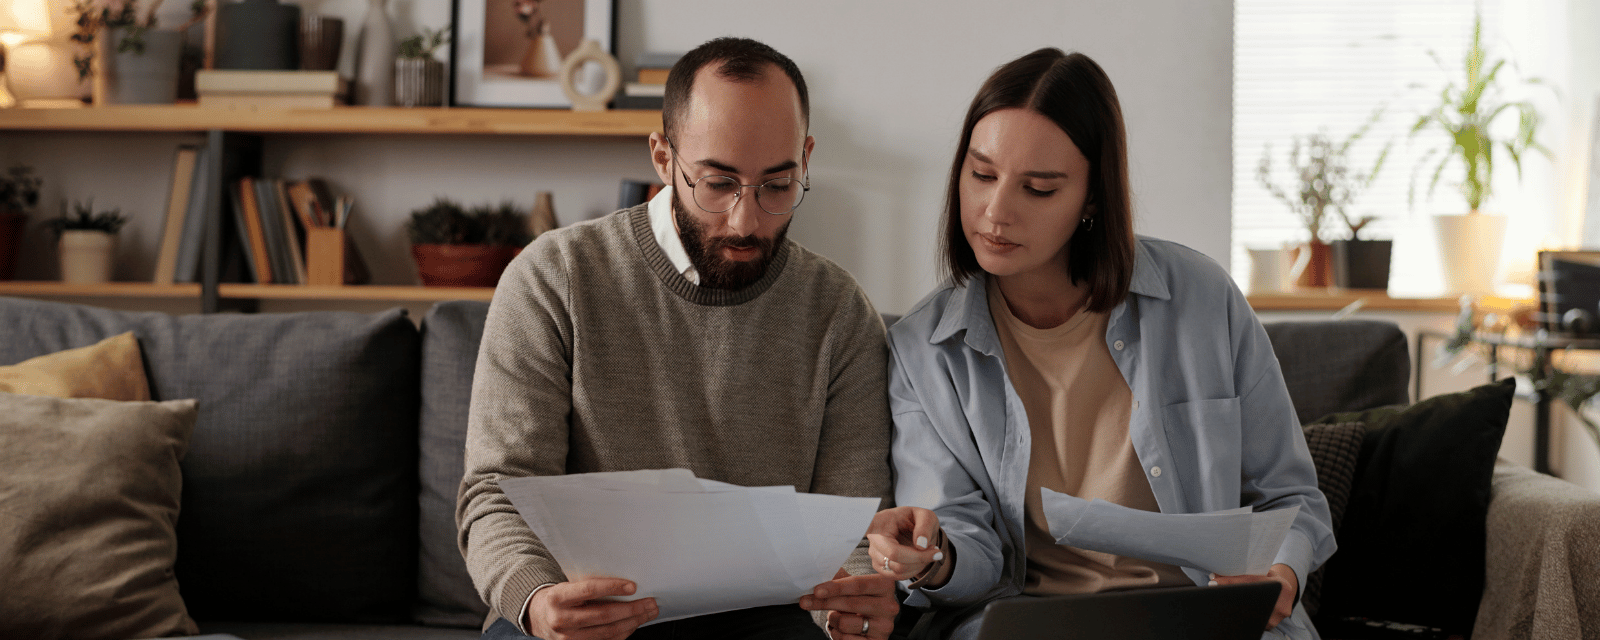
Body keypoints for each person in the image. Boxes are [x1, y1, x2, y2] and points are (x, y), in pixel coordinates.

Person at [865, 48, 1336, 640]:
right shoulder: (921, 351)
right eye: (982, 175)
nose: (995, 211)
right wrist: (933, 557)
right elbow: (965, 544)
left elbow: (1289, 497)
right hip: (1030, 626)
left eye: (1038, 189)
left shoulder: (1201, 298)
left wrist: (1280, 572)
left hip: (1205, 618)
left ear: (1092, 197)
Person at [456, 37, 898, 640]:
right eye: (717, 183)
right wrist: (536, 601)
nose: (746, 221)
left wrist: (850, 608)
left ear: (806, 157)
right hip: (585, 611)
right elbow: (496, 492)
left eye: (777, 185)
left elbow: (854, 526)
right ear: (663, 158)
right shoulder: (554, 278)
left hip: (769, 620)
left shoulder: (840, 313)